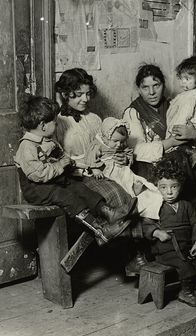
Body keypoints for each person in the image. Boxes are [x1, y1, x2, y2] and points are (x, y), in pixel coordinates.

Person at [123, 63, 196, 294]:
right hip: (153, 173)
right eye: (145, 87)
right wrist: (171, 143)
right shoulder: (133, 112)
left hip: (184, 168)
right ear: (139, 89)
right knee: (186, 205)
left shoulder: (180, 102)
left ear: (164, 84)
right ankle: (195, 278)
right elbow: (137, 151)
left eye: (156, 85)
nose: (152, 91)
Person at [54, 68, 147, 274]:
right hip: (77, 176)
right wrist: (85, 166)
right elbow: (59, 158)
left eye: (88, 93)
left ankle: (138, 253)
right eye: (78, 95)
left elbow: (111, 144)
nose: (85, 99)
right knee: (116, 194)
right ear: (64, 93)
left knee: (136, 191)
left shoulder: (95, 119)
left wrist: (122, 156)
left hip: (105, 169)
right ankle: (133, 255)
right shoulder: (58, 122)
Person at [14, 95, 135, 246]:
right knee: (66, 195)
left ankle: (108, 212)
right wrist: (61, 164)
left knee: (79, 187)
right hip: (36, 188)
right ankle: (99, 230)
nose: (57, 125)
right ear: (43, 125)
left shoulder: (49, 141)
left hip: (52, 181)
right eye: (54, 122)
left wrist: (82, 165)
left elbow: (66, 161)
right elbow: (39, 174)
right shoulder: (27, 146)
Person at [142, 156, 196, 307]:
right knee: (184, 265)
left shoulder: (186, 205)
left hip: (186, 246)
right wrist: (156, 232)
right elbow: (145, 224)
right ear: (157, 186)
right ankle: (185, 292)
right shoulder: (155, 206)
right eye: (164, 187)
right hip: (166, 250)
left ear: (181, 185)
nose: (169, 192)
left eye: (174, 187)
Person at [85, 117, 163, 221]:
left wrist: (128, 158)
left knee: (129, 176)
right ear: (105, 137)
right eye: (115, 141)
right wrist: (95, 168)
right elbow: (90, 157)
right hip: (109, 170)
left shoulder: (120, 145)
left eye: (121, 141)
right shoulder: (98, 145)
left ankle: (137, 187)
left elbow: (128, 150)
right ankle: (132, 193)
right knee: (120, 181)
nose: (118, 145)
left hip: (122, 167)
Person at [166, 56, 196, 170]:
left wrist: (173, 131)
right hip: (195, 128)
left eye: (187, 79)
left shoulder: (190, 97)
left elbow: (184, 114)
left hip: (185, 127)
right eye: (181, 78)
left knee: (176, 147)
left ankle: (192, 152)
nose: (182, 83)